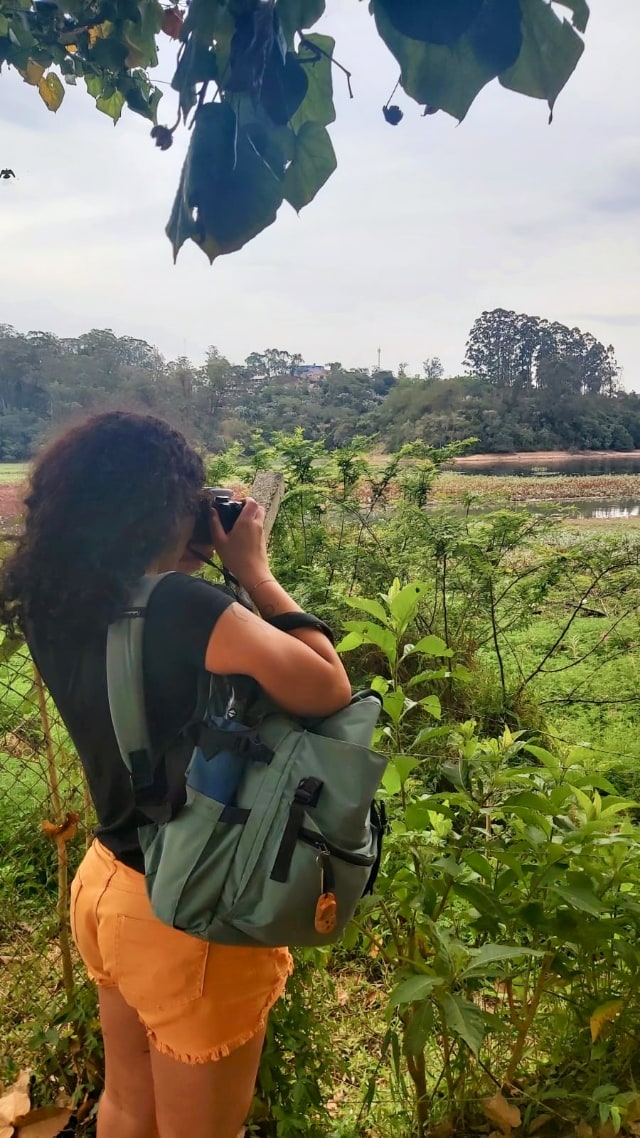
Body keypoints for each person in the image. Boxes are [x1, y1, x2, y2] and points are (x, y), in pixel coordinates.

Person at [0, 411, 351, 1138]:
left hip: (108, 884)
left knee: (128, 1110)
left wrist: (185, 553)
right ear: (161, 505)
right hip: (187, 904)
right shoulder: (181, 607)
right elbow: (326, 687)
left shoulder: (51, 597)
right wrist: (255, 570)